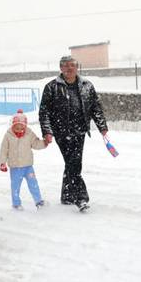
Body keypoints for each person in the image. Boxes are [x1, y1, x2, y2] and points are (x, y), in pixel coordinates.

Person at [39, 55, 108, 212]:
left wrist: (102, 127)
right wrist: (47, 131)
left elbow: (95, 108)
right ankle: (80, 197)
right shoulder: (52, 87)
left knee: (71, 163)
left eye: (73, 65)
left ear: (77, 67)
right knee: (74, 163)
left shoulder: (87, 85)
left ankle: (67, 195)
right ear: (61, 68)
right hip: (61, 132)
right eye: (66, 65)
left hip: (80, 131)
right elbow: (44, 112)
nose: (70, 68)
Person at [0, 109, 48, 210]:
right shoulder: (8, 135)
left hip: (28, 166)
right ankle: (16, 203)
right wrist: (2, 162)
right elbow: (4, 149)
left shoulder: (29, 134)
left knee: (33, 184)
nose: (19, 129)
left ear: (25, 125)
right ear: (13, 125)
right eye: (16, 127)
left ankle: (38, 201)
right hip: (15, 167)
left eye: (21, 126)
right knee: (15, 186)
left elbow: (35, 143)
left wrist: (44, 143)